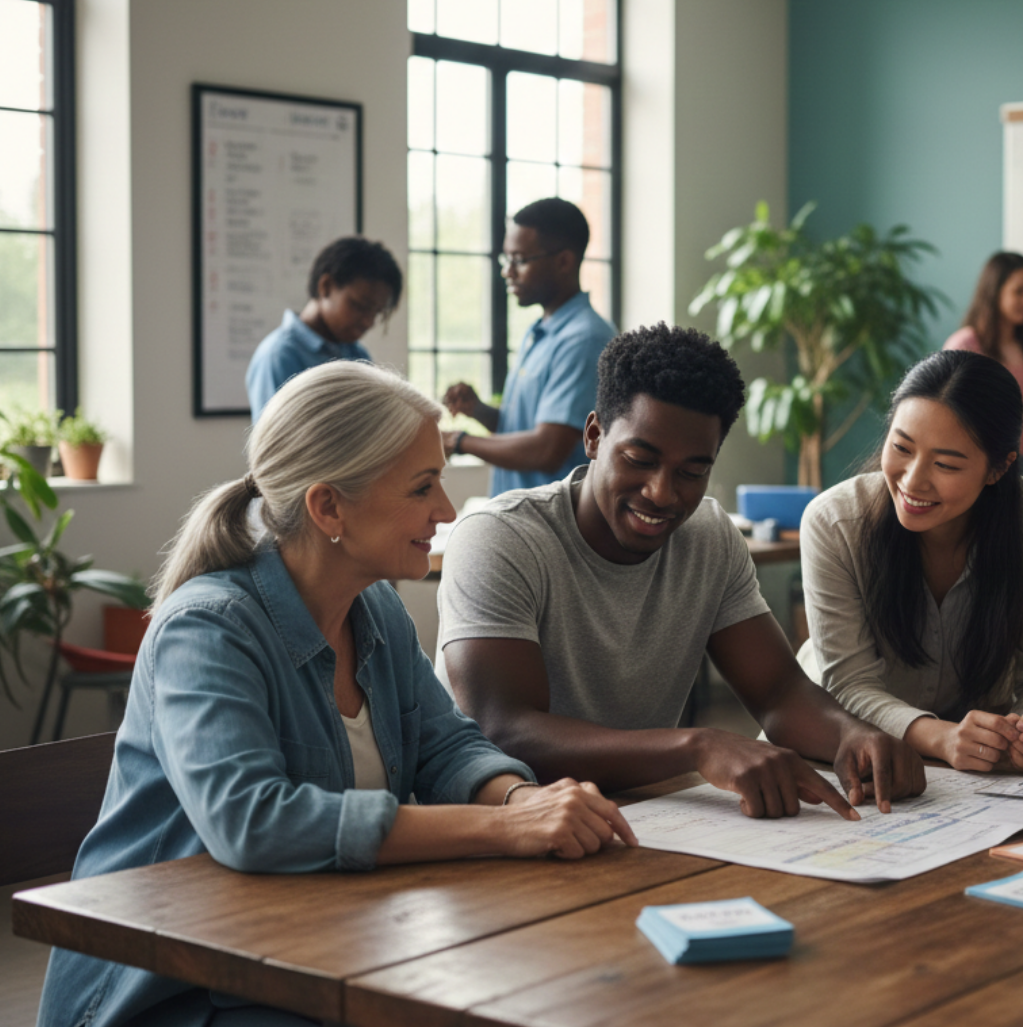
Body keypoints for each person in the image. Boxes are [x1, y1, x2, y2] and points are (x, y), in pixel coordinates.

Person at [39, 361, 633, 1027]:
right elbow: (253, 821)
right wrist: (504, 826)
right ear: (327, 506)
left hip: (310, 949)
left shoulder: (374, 607)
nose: (445, 510)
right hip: (172, 990)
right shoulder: (206, 627)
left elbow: (447, 746)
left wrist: (528, 799)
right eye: (422, 486)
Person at [437, 323, 926, 820]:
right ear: (593, 436)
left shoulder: (709, 536)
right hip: (499, 827)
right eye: (639, 459)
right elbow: (502, 729)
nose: (662, 493)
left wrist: (853, 734)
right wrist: (698, 747)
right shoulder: (500, 538)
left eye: (692, 473)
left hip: (639, 818)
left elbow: (779, 692)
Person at [798, 350, 1023, 774]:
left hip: (974, 768)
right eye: (901, 447)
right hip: (835, 749)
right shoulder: (834, 521)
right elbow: (849, 685)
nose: (912, 481)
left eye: (946, 463)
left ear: (998, 469)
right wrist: (941, 737)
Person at [442, 198, 615, 495]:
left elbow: (547, 450)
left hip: (551, 530)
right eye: (505, 259)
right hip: (522, 521)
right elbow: (525, 431)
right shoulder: (539, 332)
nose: (507, 272)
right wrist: (480, 411)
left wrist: (457, 441)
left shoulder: (583, 339)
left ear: (563, 261)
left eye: (519, 260)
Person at [245, 236, 403, 421]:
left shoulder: (358, 355)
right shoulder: (280, 355)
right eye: (360, 306)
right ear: (326, 286)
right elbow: (278, 446)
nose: (369, 322)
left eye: (377, 312)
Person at [944, 251, 1023, 487]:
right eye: (1019, 291)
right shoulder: (964, 345)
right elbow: (953, 411)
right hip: (990, 467)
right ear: (994, 291)